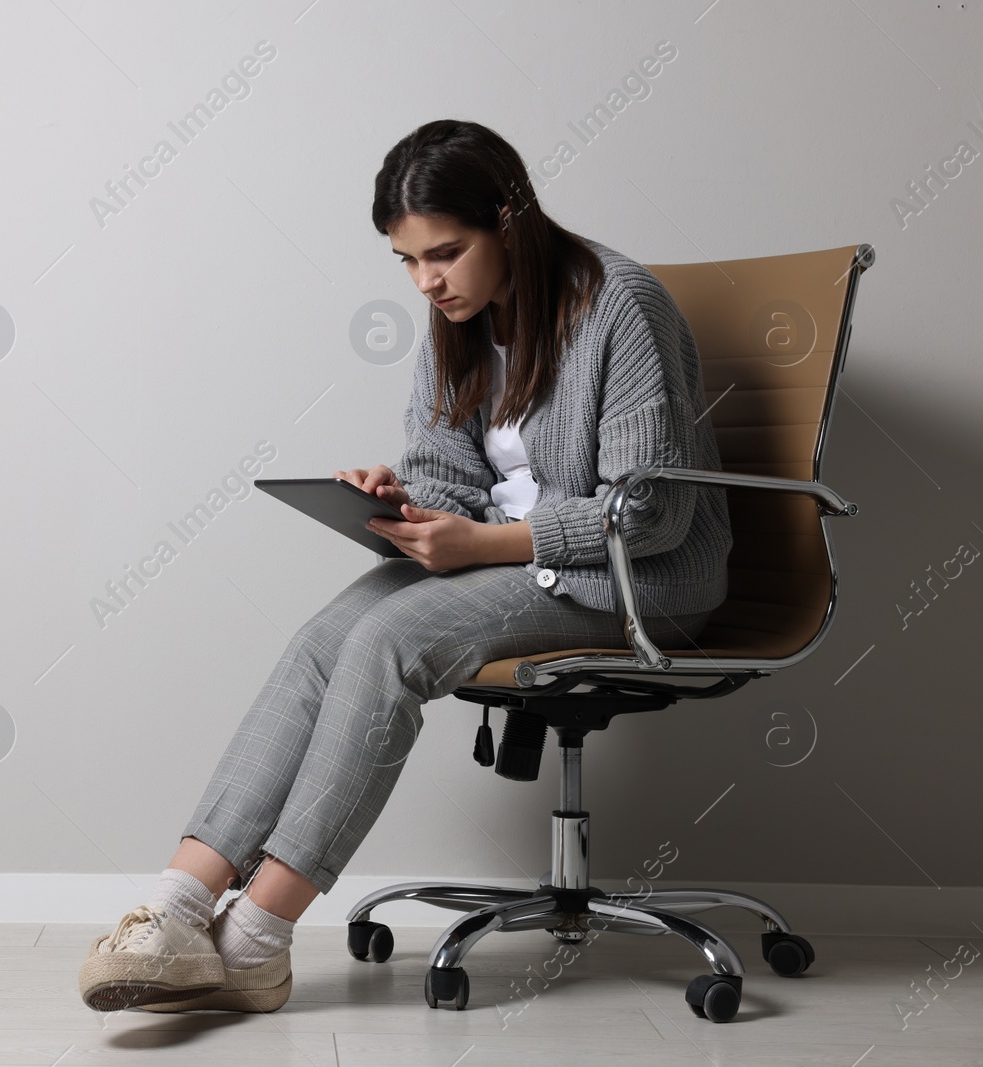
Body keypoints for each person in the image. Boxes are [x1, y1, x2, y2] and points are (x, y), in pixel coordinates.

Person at [77, 118, 732, 1015]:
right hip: (513, 566)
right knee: (322, 640)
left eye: (446, 252)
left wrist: (482, 544)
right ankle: (176, 907)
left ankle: (258, 938)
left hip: (633, 581)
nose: (428, 280)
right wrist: (403, 501)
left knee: (386, 640)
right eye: (407, 260)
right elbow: (451, 480)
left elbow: (650, 513)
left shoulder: (621, 303)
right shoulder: (459, 319)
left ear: (511, 221)